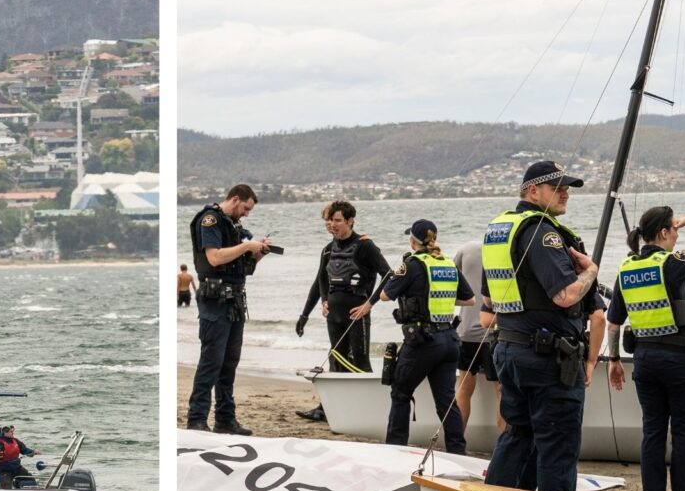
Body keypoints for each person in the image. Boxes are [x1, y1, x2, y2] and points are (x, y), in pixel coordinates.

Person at [483, 161, 605, 491]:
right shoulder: (543, 232)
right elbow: (566, 296)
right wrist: (590, 272)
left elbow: (488, 301)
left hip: (510, 349)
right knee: (557, 446)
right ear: (533, 191)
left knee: (517, 434)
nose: (565, 194)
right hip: (547, 359)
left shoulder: (501, 229)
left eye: (567, 189)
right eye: (557, 188)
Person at [602, 207, 685, 491]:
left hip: (644, 361)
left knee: (653, 435)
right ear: (662, 232)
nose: (677, 235)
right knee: (683, 436)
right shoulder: (670, 263)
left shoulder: (627, 268)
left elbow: (614, 323)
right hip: (678, 360)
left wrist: (614, 359)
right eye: (675, 229)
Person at [376, 220, 478, 453]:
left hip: (423, 341)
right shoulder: (447, 263)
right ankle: (458, 451)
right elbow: (470, 299)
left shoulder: (412, 264)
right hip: (450, 339)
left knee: (401, 393)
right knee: (446, 402)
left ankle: (394, 450)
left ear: (413, 241)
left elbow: (384, 295)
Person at [294, 200, 393, 420]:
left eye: (337, 220)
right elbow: (320, 280)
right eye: (329, 220)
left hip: (357, 315)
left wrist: (369, 304)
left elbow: (389, 274)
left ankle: (371, 410)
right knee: (336, 360)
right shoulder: (328, 250)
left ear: (350, 221)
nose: (332, 224)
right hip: (334, 316)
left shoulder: (365, 246)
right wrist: (306, 313)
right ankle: (327, 409)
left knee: (360, 362)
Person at [187, 184, 272, 434]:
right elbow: (214, 258)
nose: (247, 213)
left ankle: (225, 419)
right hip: (215, 299)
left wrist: (258, 253)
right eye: (246, 208)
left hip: (235, 299)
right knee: (211, 362)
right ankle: (196, 419)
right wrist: (247, 247)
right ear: (235, 199)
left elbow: (243, 266)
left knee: (229, 363)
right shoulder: (210, 220)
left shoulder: (236, 228)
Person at [454, 231, 498, 428]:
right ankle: (505, 442)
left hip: (467, 332)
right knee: (502, 391)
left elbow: (451, 279)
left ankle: (456, 440)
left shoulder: (466, 249)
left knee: (464, 389)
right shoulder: (505, 253)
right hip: (495, 332)